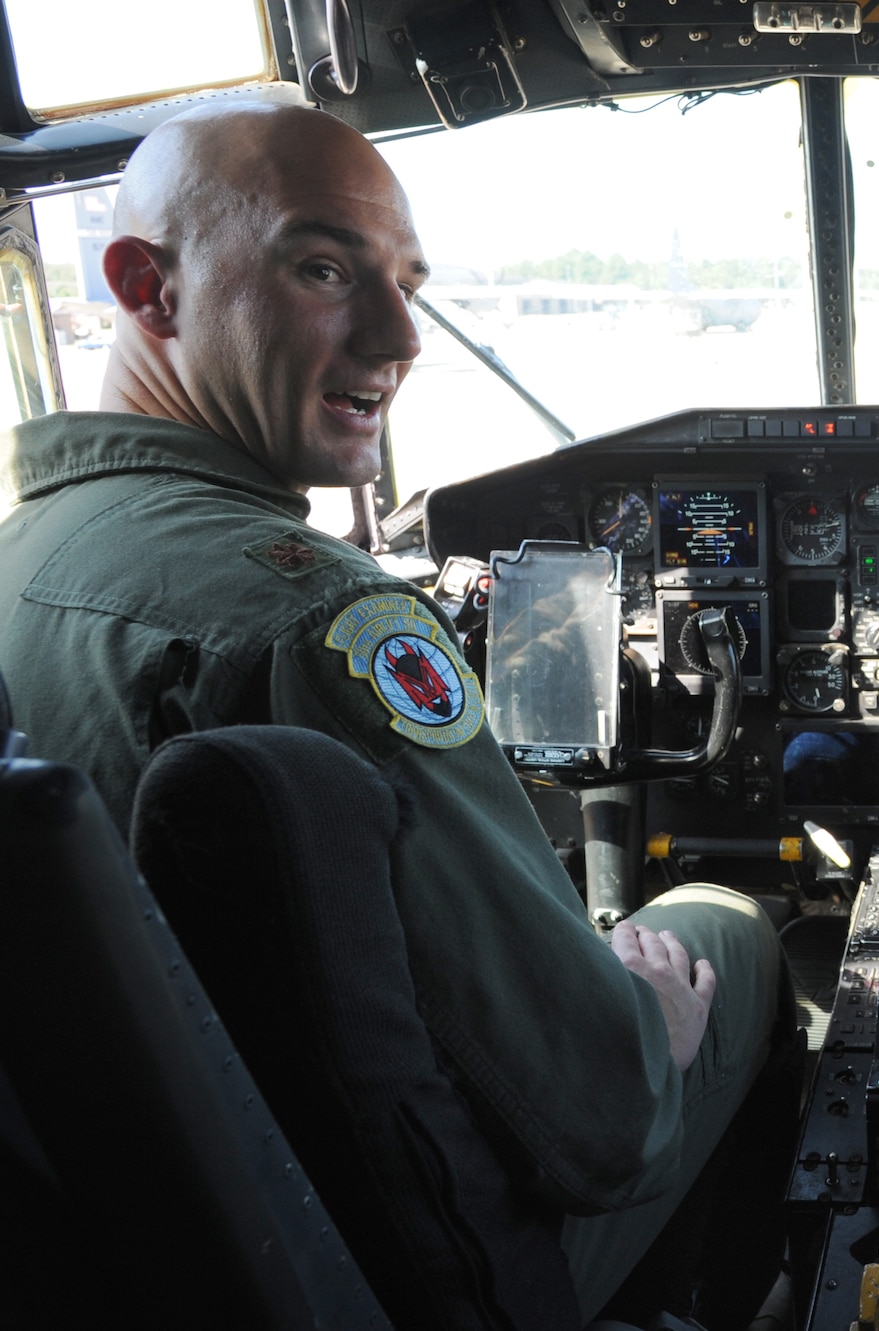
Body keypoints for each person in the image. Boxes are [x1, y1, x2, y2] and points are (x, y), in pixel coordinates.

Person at [0, 101, 786, 1321]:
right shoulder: (321, 621)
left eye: (407, 284)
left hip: (155, 1245)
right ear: (149, 289)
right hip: (400, 1266)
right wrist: (651, 1019)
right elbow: (610, 1112)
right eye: (324, 268)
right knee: (724, 929)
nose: (400, 336)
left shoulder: (21, 553)